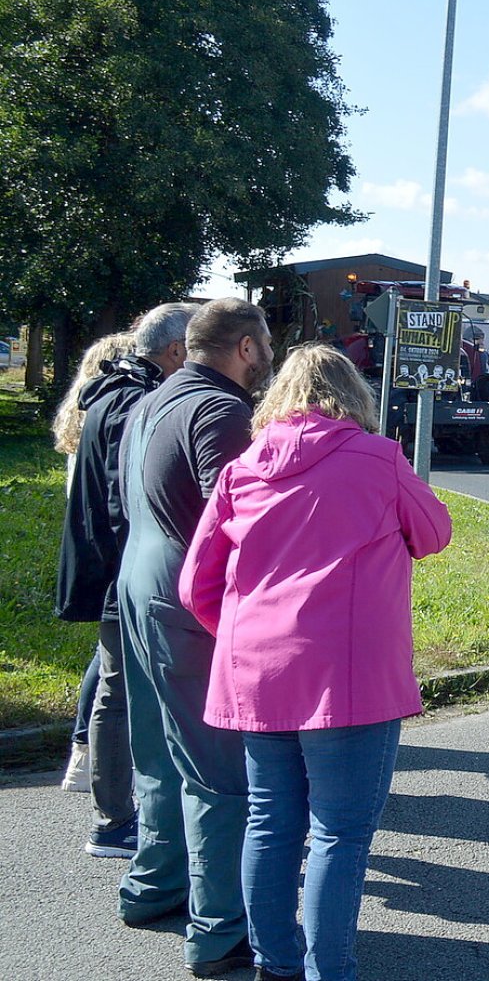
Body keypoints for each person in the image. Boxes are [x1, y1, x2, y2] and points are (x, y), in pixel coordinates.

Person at [179, 344, 452, 981]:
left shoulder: (241, 468)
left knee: (270, 822)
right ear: (353, 396)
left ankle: (275, 964)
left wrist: (245, 641)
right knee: (339, 832)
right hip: (349, 676)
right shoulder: (378, 458)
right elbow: (434, 533)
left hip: (258, 672)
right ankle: (329, 971)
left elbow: (197, 585)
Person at [116, 297, 272, 976]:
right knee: (216, 769)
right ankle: (217, 932)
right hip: (185, 597)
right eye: (265, 344)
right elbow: (233, 516)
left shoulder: (153, 398)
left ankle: (154, 886)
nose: (270, 358)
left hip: (137, 580)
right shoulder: (222, 410)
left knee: (155, 751)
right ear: (244, 347)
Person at [55, 308, 192, 854]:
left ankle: (118, 815)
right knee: (125, 692)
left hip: (114, 565)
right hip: (128, 569)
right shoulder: (138, 400)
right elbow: (124, 501)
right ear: (177, 350)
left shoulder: (109, 392)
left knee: (118, 689)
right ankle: (119, 821)